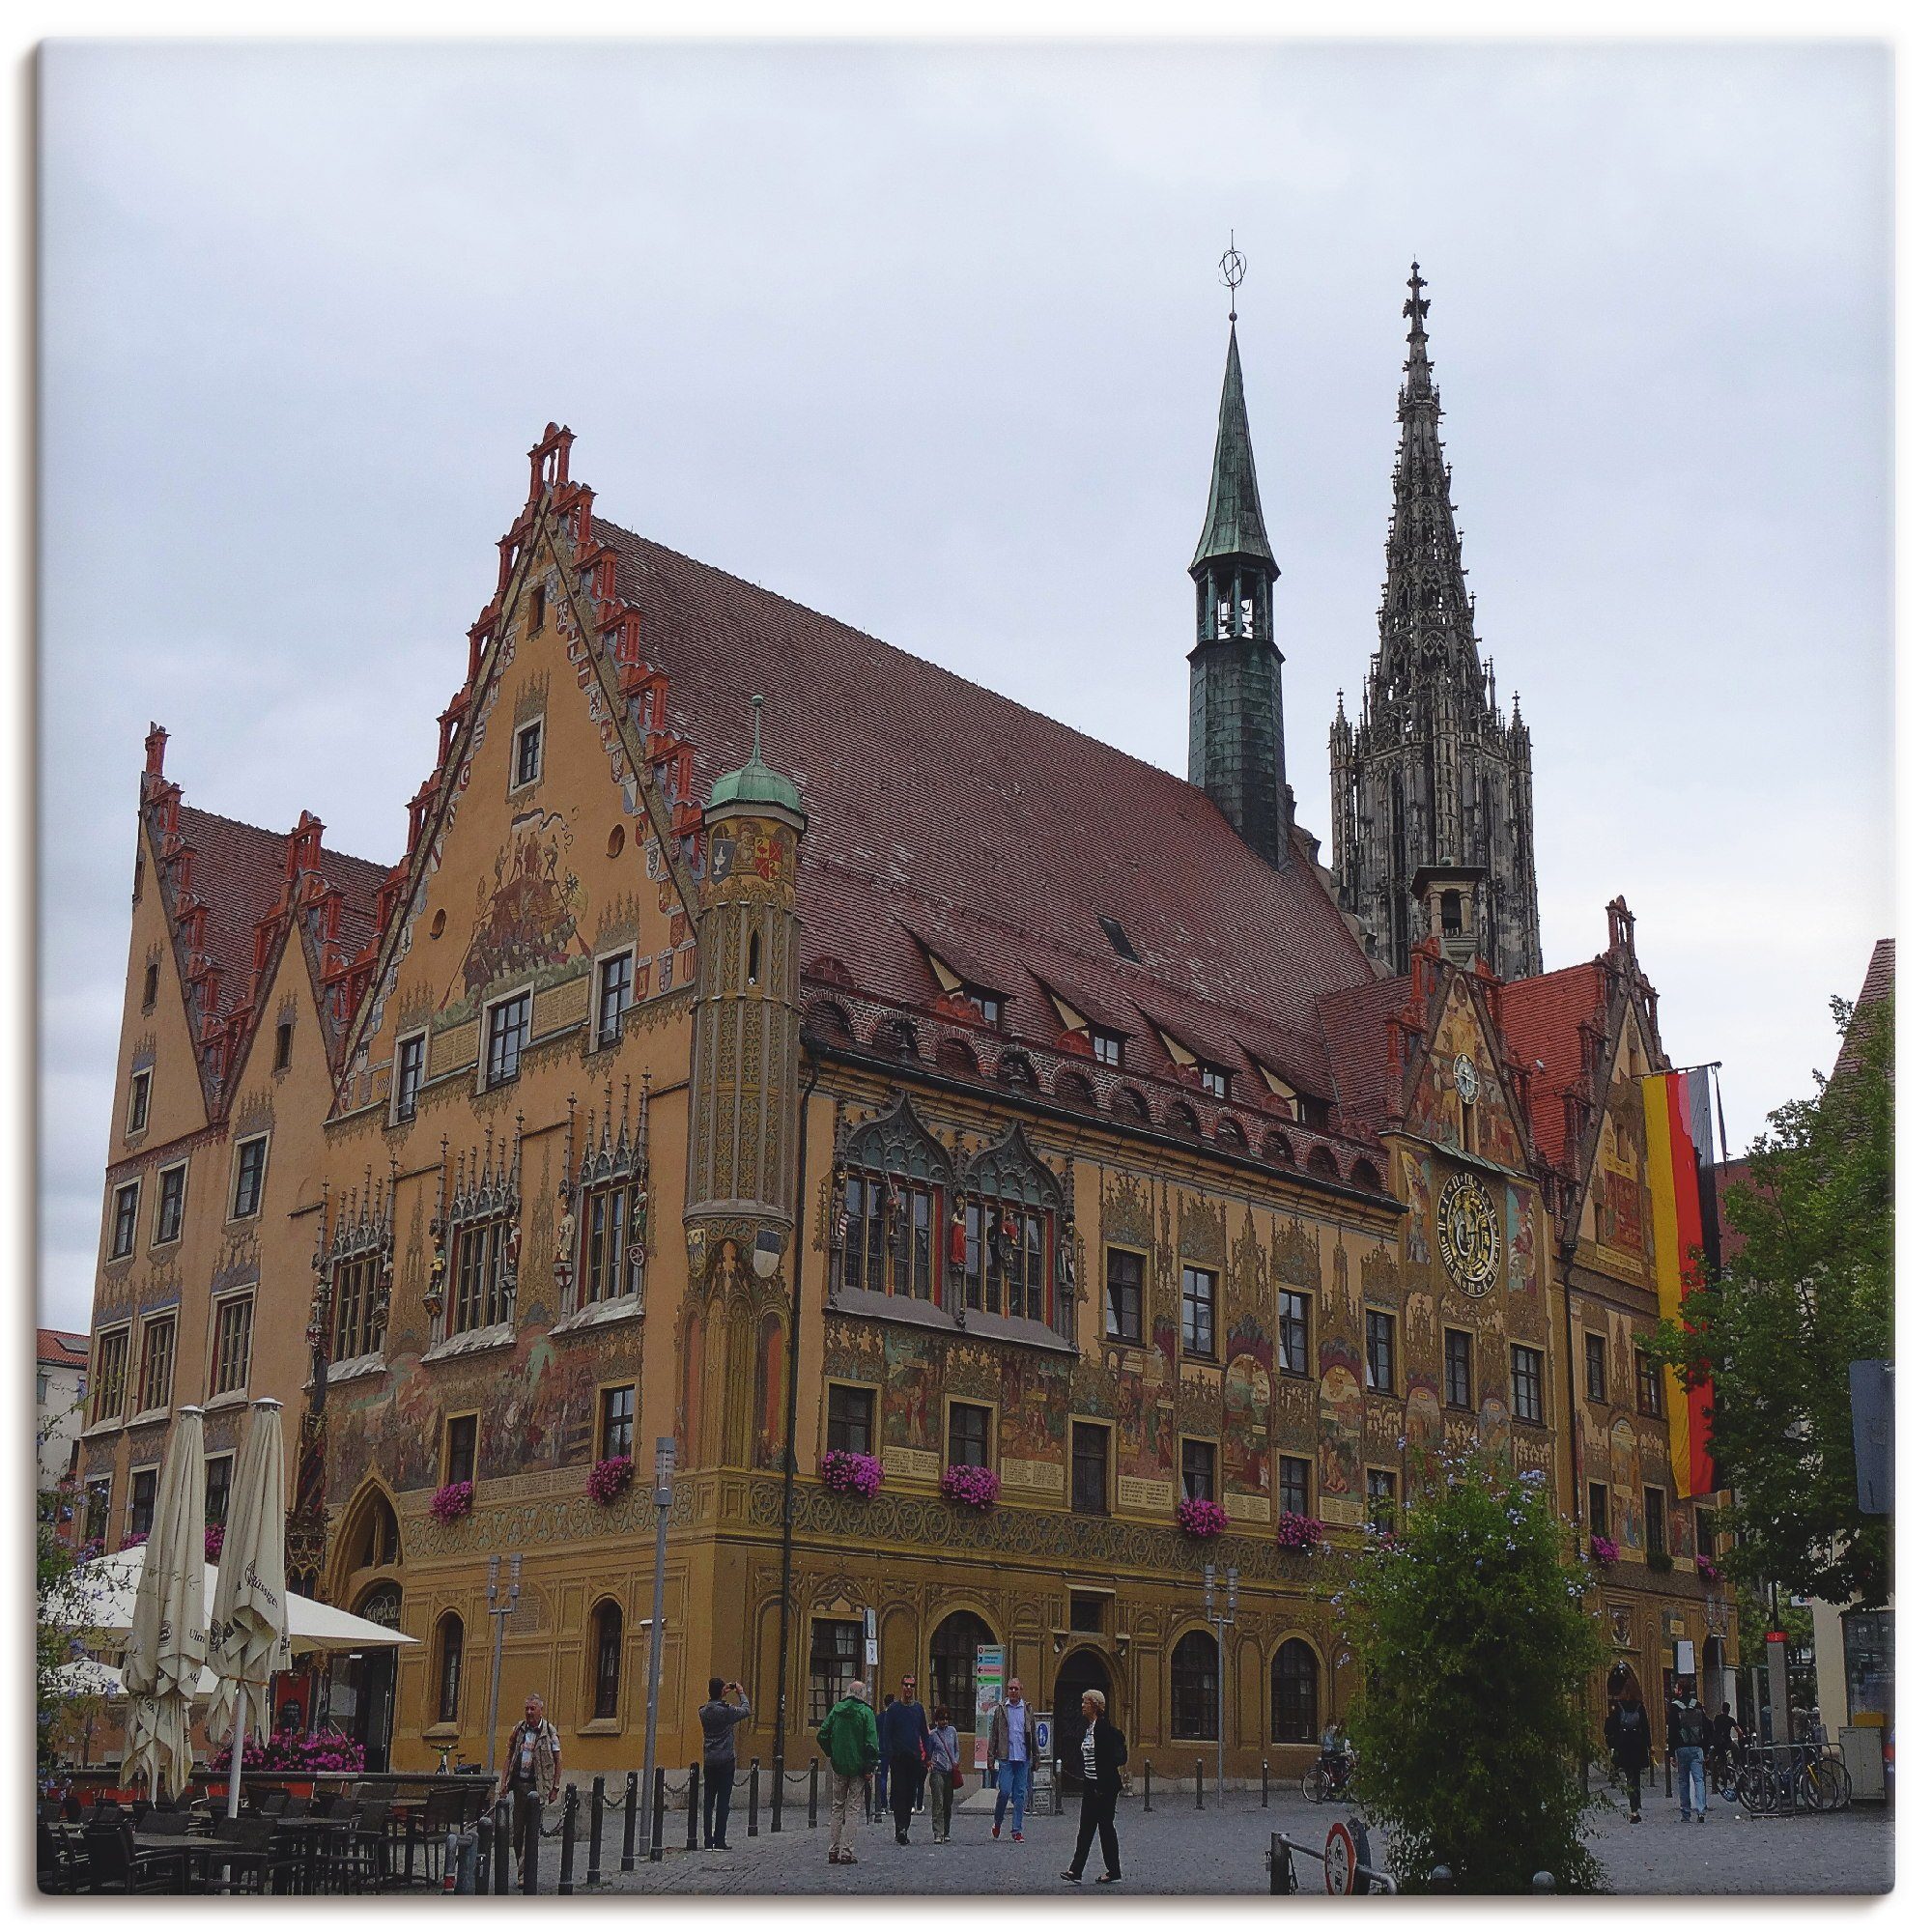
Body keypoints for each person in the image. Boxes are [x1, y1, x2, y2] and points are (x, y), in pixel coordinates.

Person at [1061, 1688, 1127, 1885]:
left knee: (1105, 1828)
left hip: (1104, 1787)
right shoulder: (1088, 1728)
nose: (1082, 1705)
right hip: (1091, 1785)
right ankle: (1076, 1870)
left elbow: (1107, 1761)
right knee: (1086, 1829)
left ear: (1095, 1706)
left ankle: (1113, 1870)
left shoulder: (1102, 1728)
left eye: (1085, 1702)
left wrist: (1100, 1786)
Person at [816, 1679, 878, 1866]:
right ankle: (847, 1851)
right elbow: (871, 1743)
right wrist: (869, 1767)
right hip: (858, 1767)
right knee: (852, 1809)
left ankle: (833, 1850)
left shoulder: (837, 1710)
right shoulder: (866, 1712)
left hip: (839, 1765)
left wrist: (832, 1753)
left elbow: (822, 1734)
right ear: (862, 1695)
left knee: (837, 1807)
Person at [498, 1693, 561, 1878]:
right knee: (517, 1833)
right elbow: (509, 1755)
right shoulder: (519, 1730)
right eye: (527, 1708)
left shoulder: (549, 1732)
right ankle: (522, 1865)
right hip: (520, 1786)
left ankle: (523, 1874)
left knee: (531, 1832)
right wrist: (504, 1782)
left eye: (533, 1708)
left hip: (538, 1788)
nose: (529, 1712)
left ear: (541, 1710)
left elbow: (558, 1760)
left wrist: (555, 1787)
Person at [697, 1676, 752, 1850]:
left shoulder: (703, 1712)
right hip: (726, 1760)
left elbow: (705, 1706)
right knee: (723, 1802)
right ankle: (719, 1839)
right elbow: (746, 1710)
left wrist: (721, 1693)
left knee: (708, 1802)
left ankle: (707, 1840)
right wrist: (740, 1693)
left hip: (710, 1760)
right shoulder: (726, 1711)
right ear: (722, 1692)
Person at [878, 1672, 932, 1846]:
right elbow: (886, 1733)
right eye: (906, 1685)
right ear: (901, 1686)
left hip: (914, 1757)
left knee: (910, 1793)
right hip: (898, 1757)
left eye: (911, 1685)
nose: (908, 1688)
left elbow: (924, 1732)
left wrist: (927, 1755)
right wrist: (890, 1752)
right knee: (898, 1793)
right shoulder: (894, 1709)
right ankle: (899, 1827)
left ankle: (905, 1827)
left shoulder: (918, 1709)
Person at [986, 1677, 1037, 1842]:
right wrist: (990, 1757)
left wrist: (1036, 1757)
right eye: (1010, 1689)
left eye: (1016, 1688)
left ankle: (1017, 1830)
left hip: (1022, 1758)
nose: (1013, 1691)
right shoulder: (1001, 1710)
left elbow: (1033, 1736)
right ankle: (998, 1822)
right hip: (1006, 1757)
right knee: (1005, 1791)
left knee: (1020, 1794)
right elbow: (994, 1734)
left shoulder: (1027, 1710)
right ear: (1007, 1691)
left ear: (1021, 1690)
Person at [1604, 1683, 1652, 1824]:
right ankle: (1636, 1802)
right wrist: (1649, 1745)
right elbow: (1645, 1727)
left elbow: (1609, 1726)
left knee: (1629, 1775)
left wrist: (1612, 1743)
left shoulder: (1618, 1707)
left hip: (1624, 1745)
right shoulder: (1639, 1707)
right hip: (1638, 1745)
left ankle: (1633, 1806)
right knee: (1636, 1776)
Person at [1670, 1683, 1710, 1823]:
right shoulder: (1698, 1705)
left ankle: (1685, 1813)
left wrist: (1671, 1753)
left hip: (1681, 1748)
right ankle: (1701, 1810)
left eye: (1676, 1688)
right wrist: (1705, 1750)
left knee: (1683, 1781)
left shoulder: (1674, 1706)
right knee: (1699, 1779)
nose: (1674, 1690)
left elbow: (1672, 1731)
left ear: (1680, 1691)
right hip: (1697, 1747)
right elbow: (1705, 1727)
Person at [925, 1704, 961, 1843]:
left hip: (950, 1772)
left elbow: (957, 1749)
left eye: (946, 1718)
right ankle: (937, 1832)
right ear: (937, 1720)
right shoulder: (933, 1735)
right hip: (937, 1772)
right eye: (941, 1719)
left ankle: (946, 1830)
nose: (944, 1721)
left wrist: (956, 1761)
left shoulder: (953, 1732)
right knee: (938, 1802)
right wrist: (930, 1762)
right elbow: (928, 1752)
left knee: (948, 1803)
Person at [1709, 1701, 1738, 1784]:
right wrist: (1742, 1735)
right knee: (1736, 1749)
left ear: (1722, 1709)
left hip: (1717, 1742)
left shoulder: (1717, 1718)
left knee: (1716, 1759)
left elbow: (1714, 1729)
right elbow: (1738, 1730)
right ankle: (1737, 1764)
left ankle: (1714, 1782)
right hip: (1727, 1742)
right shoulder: (1731, 1719)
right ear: (1729, 1710)